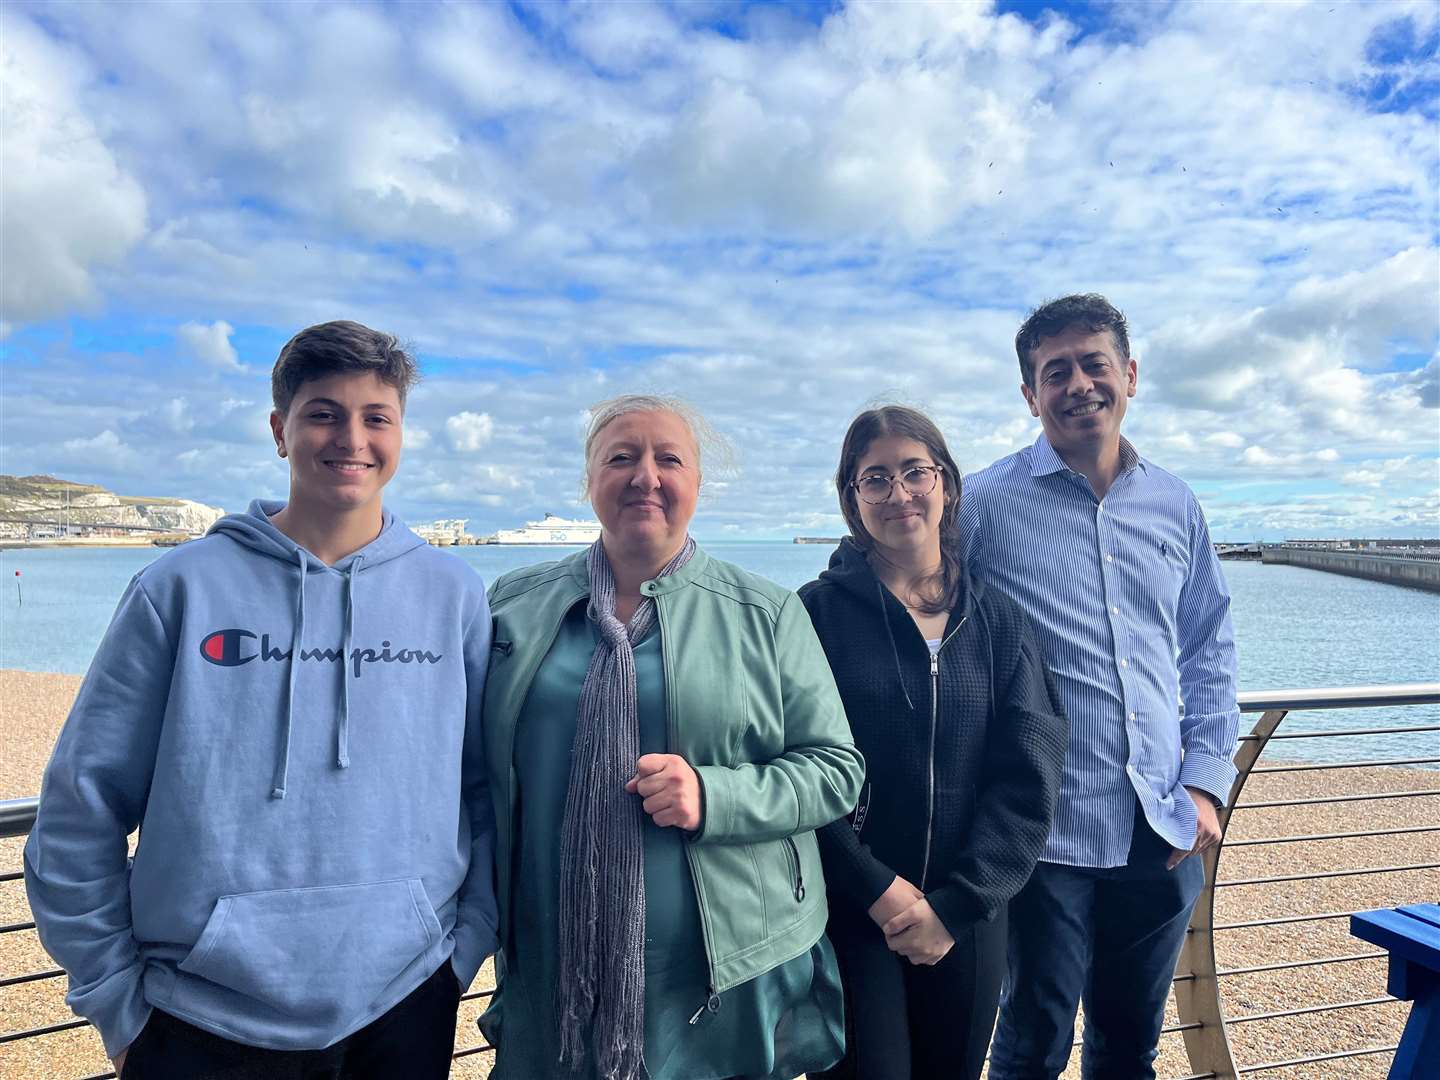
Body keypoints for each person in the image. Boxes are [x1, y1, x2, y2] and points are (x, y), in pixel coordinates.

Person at [25, 321, 498, 1079]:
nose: (351, 437)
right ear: (280, 431)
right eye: (323, 413)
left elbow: (483, 792)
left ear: (401, 433)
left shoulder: (453, 595)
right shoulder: (177, 589)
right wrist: (117, 1002)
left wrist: (462, 950)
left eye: (376, 416)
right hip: (194, 1018)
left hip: (406, 1005)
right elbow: (82, 804)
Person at [477, 394, 864, 1080]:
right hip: (549, 961)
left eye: (668, 459)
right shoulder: (513, 604)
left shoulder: (765, 611)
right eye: (620, 457)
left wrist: (715, 795)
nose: (644, 476)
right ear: (589, 480)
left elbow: (835, 770)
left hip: (720, 976)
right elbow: (470, 772)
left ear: (697, 485)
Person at [966, 295, 1240, 1079]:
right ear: (1030, 396)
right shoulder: (985, 504)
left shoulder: (1175, 503)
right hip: (1042, 833)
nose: (1079, 384)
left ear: (1129, 374)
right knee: (1031, 1043)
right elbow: (929, 617)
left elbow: (1210, 647)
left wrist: (1207, 784)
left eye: (1094, 364)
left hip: (1159, 826)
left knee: (1130, 1047)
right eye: (1056, 372)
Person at [797, 405, 1069, 1080]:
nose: (899, 493)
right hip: (849, 911)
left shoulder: (997, 619)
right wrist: (874, 886)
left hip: (967, 915)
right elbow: (792, 766)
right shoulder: (811, 615)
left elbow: (1028, 773)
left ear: (946, 483)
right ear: (852, 498)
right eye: (875, 479)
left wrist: (955, 904)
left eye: (915, 471)